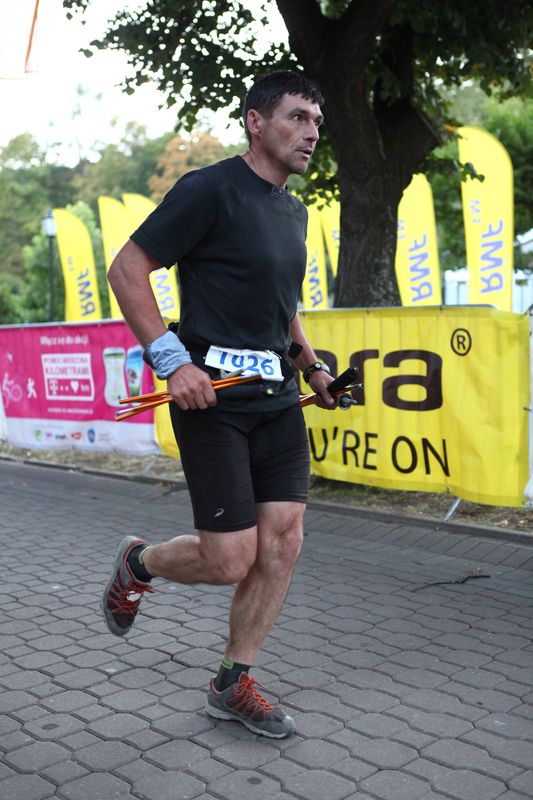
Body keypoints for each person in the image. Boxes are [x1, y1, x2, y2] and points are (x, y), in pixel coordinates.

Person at [102, 70, 337, 739]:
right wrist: (172, 362)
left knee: (283, 542)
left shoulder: (294, 212)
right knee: (231, 558)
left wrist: (312, 367)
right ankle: (138, 562)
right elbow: (127, 269)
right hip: (212, 400)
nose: (311, 133)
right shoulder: (207, 190)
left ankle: (231, 682)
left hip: (276, 399)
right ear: (255, 122)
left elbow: (281, 307)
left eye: (317, 123)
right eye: (297, 117)